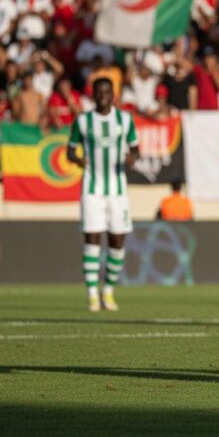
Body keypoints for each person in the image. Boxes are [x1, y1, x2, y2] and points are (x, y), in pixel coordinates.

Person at [66, 78, 140, 312]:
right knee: (92, 240)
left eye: (107, 92)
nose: (103, 96)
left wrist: (132, 157)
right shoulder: (83, 121)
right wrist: (78, 159)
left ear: (113, 94)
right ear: (93, 95)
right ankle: (92, 295)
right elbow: (70, 150)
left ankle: (108, 291)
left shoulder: (125, 119)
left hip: (118, 191)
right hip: (92, 189)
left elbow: (136, 148)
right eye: (99, 92)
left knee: (117, 243)